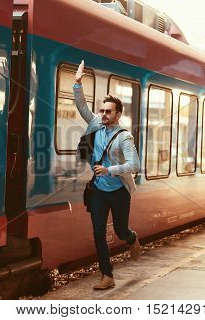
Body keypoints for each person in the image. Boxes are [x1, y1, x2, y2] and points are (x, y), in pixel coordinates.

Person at [74, 60, 141, 290]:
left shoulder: (124, 137)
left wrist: (110, 170)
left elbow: (136, 165)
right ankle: (107, 275)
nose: (102, 114)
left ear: (118, 114)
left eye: (108, 111)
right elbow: (82, 106)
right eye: (101, 110)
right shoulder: (96, 123)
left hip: (119, 191)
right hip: (99, 191)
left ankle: (132, 238)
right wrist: (77, 82)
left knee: (121, 230)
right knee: (98, 233)